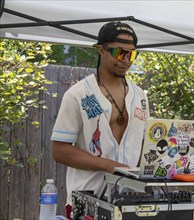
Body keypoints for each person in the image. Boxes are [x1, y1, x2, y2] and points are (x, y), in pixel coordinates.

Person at [51, 22, 150, 219]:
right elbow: (59, 150)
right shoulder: (78, 94)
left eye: (131, 54)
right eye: (119, 53)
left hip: (129, 202)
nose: (126, 60)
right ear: (101, 50)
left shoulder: (140, 96)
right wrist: (109, 165)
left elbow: (143, 146)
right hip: (87, 200)